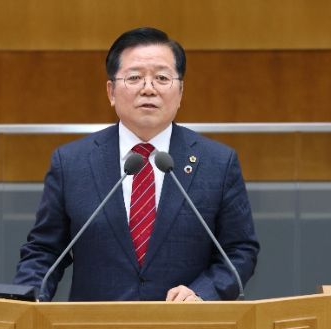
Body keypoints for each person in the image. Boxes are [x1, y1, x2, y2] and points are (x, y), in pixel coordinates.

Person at [14, 27, 259, 302]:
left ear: (180, 92)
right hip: (94, 326)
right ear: (111, 91)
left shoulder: (218, 163)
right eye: (134, 78)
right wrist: (29, 301)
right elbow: (44, 251)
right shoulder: (72, 163)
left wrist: (203, 292)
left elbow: (239, 251)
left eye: (162, 78)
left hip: (184, 324)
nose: (148, 89)